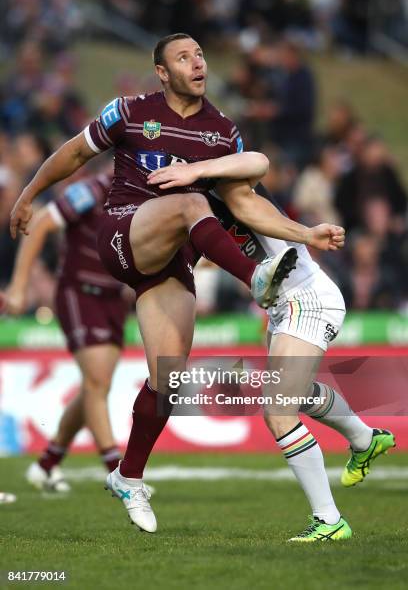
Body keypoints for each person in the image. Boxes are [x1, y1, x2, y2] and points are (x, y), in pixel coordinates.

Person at [10, 33, 343, 533]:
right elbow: (76, 154)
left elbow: (247, 202)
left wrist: (304, 234)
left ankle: (128, 475)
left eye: (201, 55)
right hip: (124, 231)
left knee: (168, 378)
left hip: (171, 262)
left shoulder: (223, 131)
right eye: (183, 57)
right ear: (162, 72)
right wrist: (28, 193)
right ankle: (255, 280)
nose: (197, 63)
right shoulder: (127, 110)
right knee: (193, 203)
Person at [151, 164, 395, 541]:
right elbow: (185, 261)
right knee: (297, 394)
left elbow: (258, 163)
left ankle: (330, 521)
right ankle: (365, 439)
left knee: (278, 411)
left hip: (306, 298)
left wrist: (306, 234)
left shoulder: (231, 185)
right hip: (283, 307)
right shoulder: (196, 213)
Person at [2, 172, 128, 491]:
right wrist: (18, 286)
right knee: (97, 382)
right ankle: (117, 472)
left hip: (115, 299)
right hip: (79, 293)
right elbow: (43, 223)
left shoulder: (145, 196)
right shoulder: (93, 190)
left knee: (94, 387)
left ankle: (46, 464)